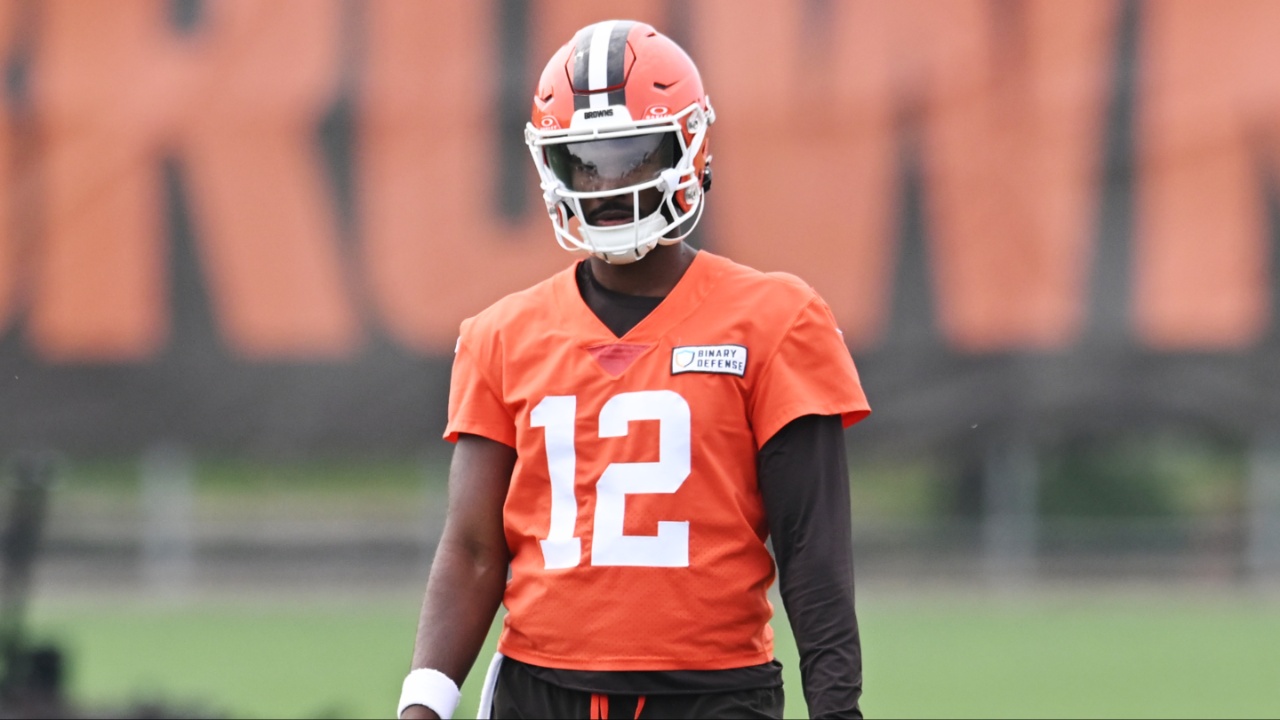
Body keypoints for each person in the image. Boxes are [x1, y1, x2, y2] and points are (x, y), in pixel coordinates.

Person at [398, 19, 870, 720]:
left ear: (690, 148)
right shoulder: (501, 335)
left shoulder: (777, 320)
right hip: (540, 692)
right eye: (583, 159)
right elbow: (472, 549)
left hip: (714, 694)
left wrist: (836, 711)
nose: (608, 182)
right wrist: (424, 703)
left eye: (633, 154)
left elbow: (813, 552)